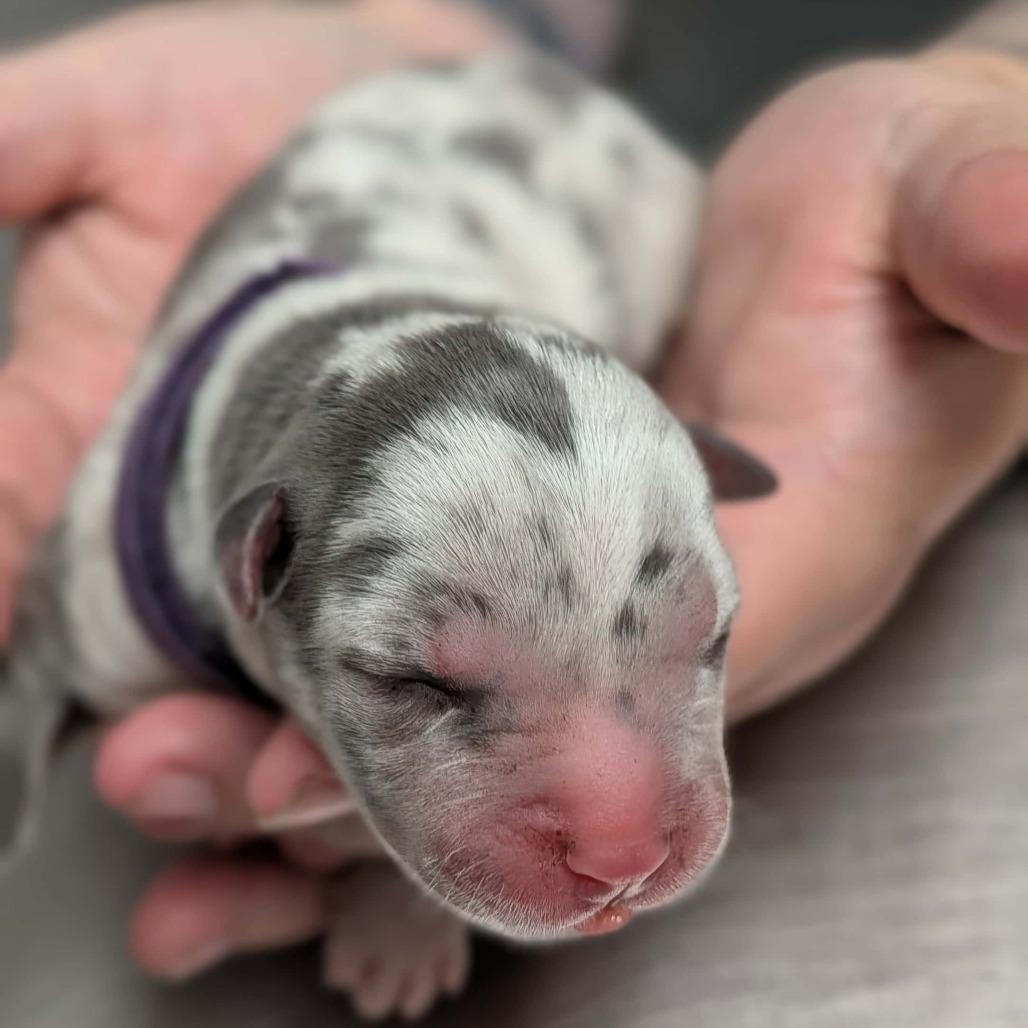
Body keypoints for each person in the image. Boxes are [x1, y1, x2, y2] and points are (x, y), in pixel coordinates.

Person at [0, 0, 1024, 983]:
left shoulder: (616, 218)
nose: (624, 840)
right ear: (253, 560)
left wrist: (413, 883)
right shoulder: (111, 546)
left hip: (568, 171)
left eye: (697, 632)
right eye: (428, 685)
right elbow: (44, 653)